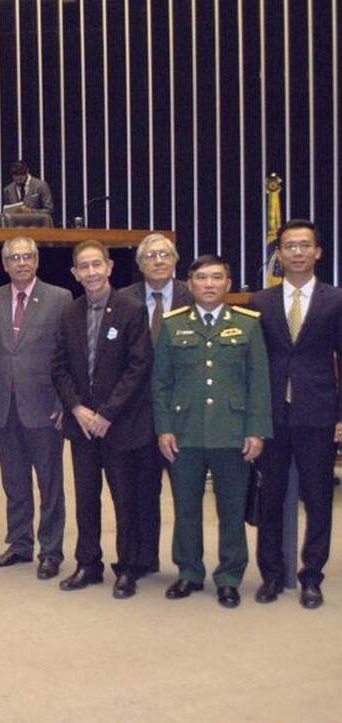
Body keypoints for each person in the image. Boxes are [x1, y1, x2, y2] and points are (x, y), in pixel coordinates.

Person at [152, 254, 272, 608]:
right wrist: (164, 428)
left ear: (227, 283)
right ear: (189, 284)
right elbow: (160, 384)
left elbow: (259, 383)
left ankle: (230, 576)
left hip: (232, 434)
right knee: (186, 508)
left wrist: (256, 431)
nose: (208, 284)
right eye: (201, 278)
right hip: (184, 434)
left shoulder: (247, 324)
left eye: (216, 277)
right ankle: (189, 572)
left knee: (231, 510)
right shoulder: (174, 325)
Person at [51, 240, 153, 599]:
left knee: (125, 500)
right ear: (75, 273)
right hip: (81, 427)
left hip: (120, 425)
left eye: (97, 264)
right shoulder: (68, 313)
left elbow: (138, 367)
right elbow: (59, 367)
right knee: (86, 498)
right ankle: (88, 563)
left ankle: (127, 568)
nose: (91, 272)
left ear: (109, 267)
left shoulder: (132, 309)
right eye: (84, 266)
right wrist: (77, 409)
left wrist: (107, 414)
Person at [250, 219, 342, 609]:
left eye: (305, 245)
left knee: (318, 497)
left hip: (318, 413)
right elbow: (252, 364)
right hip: (270, 414)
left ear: (318, 252)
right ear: (280, 254)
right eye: (290, 246)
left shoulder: (335, 300)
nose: (298, 252)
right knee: (269, 497)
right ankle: (271, 574)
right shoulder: (259, 302)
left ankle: (312, 576)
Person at [0, 237, 70, 580]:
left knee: (50, 484)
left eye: (26, 256)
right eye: (13, 258)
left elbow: (68, 354)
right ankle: (19, 544)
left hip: (46, 408)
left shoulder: (60, 298)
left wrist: (64, 401)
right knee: (14, 482)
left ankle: (51, 551)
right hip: (4, 407)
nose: (20, 262)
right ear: (4, 264)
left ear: (37, 260)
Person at [117, 232, 193, 575]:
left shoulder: (195, 296)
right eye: (151, 256)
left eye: (165, 255)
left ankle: (189, 564)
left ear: (176, 261)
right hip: (138, 414)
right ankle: (144, 559)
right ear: (140, 264)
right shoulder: (122, 300)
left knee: (187, 495)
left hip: (185, 414)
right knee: (143, 493)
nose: (158, 261)